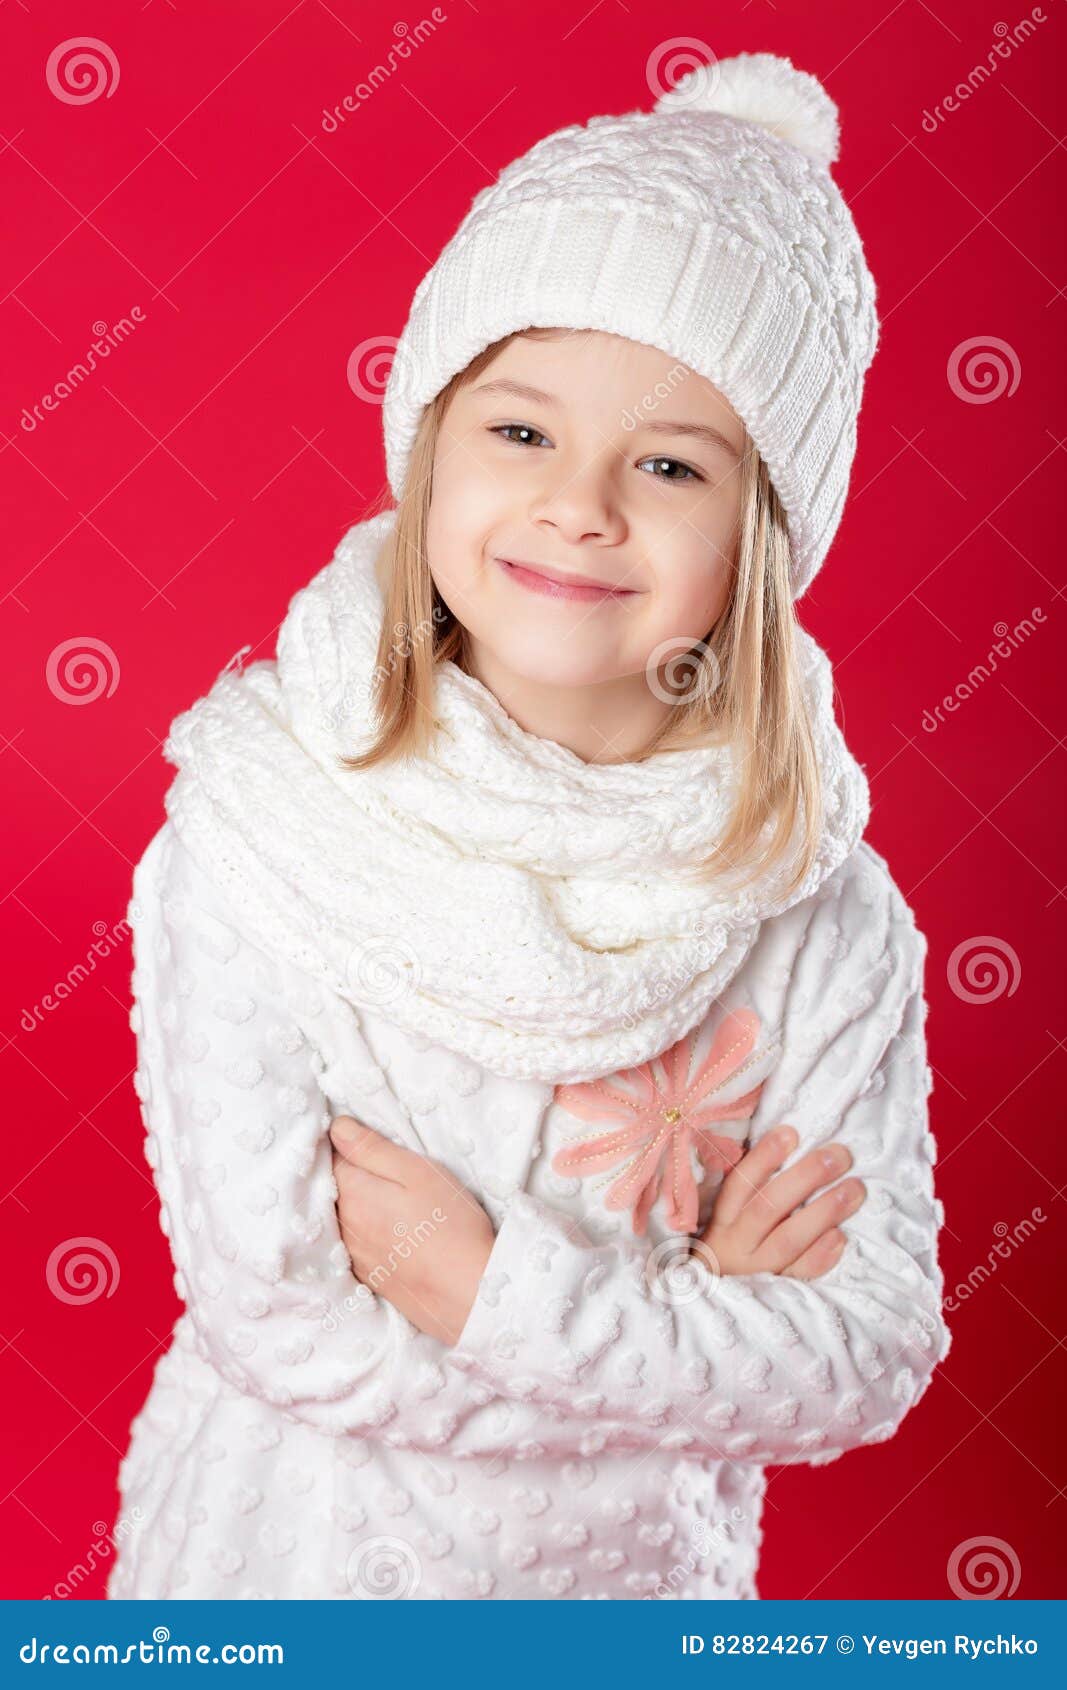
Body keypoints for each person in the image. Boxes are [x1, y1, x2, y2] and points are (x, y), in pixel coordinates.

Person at [107, 50, 952, 1602]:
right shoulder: (265, 824)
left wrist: (486, 1291)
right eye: (518, 432)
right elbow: (281, 1321)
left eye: (673, 463)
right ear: (429, 447)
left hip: (641, 1599)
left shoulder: (816, 907)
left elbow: (862, 1345)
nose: (581, 506)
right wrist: (689, 1333)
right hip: (281, 1581)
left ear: (761, 540)